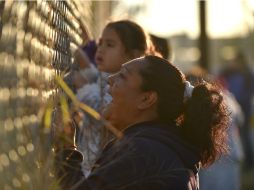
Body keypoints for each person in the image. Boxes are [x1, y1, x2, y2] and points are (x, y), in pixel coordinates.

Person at [54, 55, 229, 190]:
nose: (110, 79)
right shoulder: (166, 149)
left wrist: (66, 150)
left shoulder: (141, 153)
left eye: (122, 76)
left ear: (146, 99)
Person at [71, 20, 160, 175]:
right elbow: (92, 72)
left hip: (92, 171)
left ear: (134, 56)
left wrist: (84, 89)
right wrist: (86, 47)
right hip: (86, 163)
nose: (101, 49)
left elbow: (99, 114)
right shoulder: (107, 78)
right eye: (100, 43)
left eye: (110, 45)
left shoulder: (122, 91)